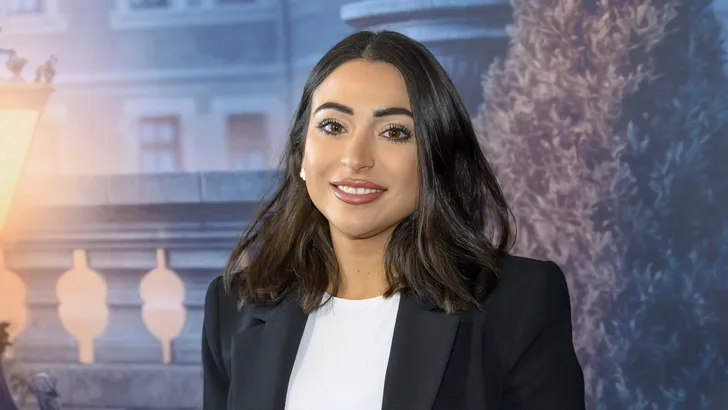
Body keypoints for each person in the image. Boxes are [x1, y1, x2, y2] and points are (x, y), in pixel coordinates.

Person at [202, 30, 585, 410]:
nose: (355, 158)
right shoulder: (233, 307)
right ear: (301, 152)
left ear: (435, 158)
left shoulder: (517, 304)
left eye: (394, 132)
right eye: (333, 126)